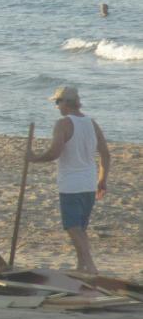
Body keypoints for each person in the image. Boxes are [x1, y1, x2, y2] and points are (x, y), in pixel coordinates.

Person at [27, 86, 110, 274]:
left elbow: (54, 153)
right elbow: (105, 154)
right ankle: (81, 266)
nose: (56, 106)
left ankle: (90, 265)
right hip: (89, 183)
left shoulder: (63, 124)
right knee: (80, 229)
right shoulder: (92, 123)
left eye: (58, 102)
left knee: (72, 227)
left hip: (71, 184)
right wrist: (102, 180)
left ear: (66, 103)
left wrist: (34, 158)